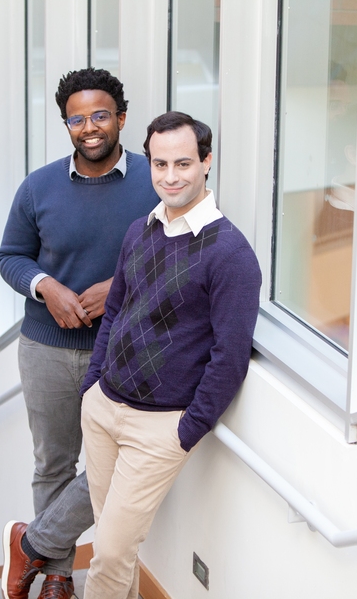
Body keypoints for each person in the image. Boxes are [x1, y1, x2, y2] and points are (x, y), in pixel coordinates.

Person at [79, 111, 262, 599]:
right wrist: (92, 386)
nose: (171, 176)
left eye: (183, 163)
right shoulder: (139, 231)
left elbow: (230, 356)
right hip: (103, 407)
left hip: (159, 428)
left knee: (110, 552)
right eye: (160, 164)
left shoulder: (231, 253)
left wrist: (185, 432)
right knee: (113, 549)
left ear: (206, 162)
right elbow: (115, 312)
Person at [0, 68, 159, 599]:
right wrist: (45, 287)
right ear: (66, 124)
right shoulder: (38, 186)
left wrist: (120, 284)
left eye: (100, 116)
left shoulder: (154, 181)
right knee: (53, 463)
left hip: (123, 350)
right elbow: (10, 257)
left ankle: (32, 543)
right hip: (46, 347)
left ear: (121, 119)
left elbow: (176, 251)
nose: (89, 127)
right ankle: (57, 575)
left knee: (119, 464)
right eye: (77, 119)